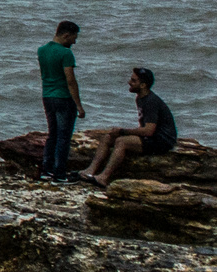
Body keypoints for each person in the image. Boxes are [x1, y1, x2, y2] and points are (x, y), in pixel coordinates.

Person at [78, 67, 177, 187]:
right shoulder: (140, 98)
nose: (129, 82)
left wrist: (123, 131)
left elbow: (149, 131)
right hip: (152, 136)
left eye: (133, 80)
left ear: (143, 85)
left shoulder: (151, 101)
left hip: (162, 140)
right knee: (108, 137)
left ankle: (104, 177)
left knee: (122, 141)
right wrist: (121, 132)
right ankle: (89, 171)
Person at [36, 21, 85, 182]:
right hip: (63, 97)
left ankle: (46, 169)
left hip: (47, 96)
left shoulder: (42, 50)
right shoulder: (66, 53)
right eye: (73, 38)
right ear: (66, 35)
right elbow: (70, 80)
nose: (74, 42)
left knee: (53, 134)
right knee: (64, 137)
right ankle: (60, 173)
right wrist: (78, 105)